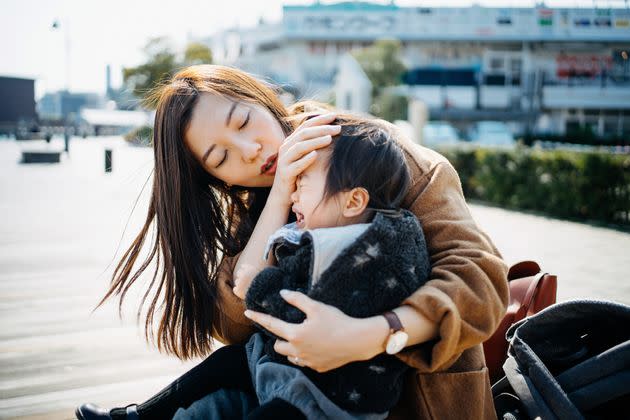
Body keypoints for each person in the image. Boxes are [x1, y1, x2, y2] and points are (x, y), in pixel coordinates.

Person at [76, 64, 508, 420]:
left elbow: (483, 283)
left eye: (243, 121)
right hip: (293, 397)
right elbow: (233, 325)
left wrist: (372, 335)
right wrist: (281, 193)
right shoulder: (257, 199)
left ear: (261, 96)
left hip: (423, 404)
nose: (247, 150)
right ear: (214, 179)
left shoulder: (373, 156)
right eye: (221, 158)